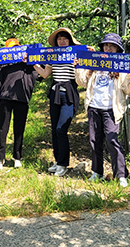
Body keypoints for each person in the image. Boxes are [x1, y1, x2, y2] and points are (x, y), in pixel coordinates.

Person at [75, 33, 130, 187]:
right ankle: (97, 172)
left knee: (112, 140)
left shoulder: (121, 67)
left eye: (111, 46)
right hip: (94, 107)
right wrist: (78, 67)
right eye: (105, 45)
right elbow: (82, 82)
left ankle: (121, 175)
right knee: (94, 140)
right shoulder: (94, 65)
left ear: (118, 49)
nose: (108, 48)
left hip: (111, 109)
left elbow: (127, 90)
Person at [0, 38, 41, 170]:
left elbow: (41, 75)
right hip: (5, 100)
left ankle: (17, 157)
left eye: (16, 47)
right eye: (10, 48)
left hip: (22, 100)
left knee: (19, 130)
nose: (13, 50)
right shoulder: (3, 64)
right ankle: (0, 158)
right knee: (3, 129)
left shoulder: (28, 63)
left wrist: (36, 61)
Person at [33, 27, 87, 177]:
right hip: (55, 93)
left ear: (69, 40)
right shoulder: (53, 55)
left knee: (61, 129)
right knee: (54, 130)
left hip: (69, 92)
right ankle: (57, 161)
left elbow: (84, 73)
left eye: (65, 38)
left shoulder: (76, 54)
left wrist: (89, 53)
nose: (62, 41)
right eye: (59, 39)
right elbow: (45, 74)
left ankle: (63, 163)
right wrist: (33, 63)